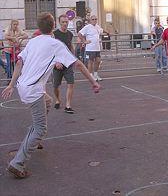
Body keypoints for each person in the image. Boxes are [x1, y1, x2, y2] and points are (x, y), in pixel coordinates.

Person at [2, 12, 100, 179]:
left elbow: (19, 62)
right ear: (53, 25)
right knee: (40, 128)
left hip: (24, 86)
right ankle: (17, 163)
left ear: (39, 27)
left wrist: (11, 84)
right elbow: (78, 64)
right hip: (33, 90)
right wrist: (93, 82)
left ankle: (34, 139)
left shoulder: (33, 42)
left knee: (47, 101)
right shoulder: (55, 44)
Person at [52, 14, 76, 114]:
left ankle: (68, 105)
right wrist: (56, 62)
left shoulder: (70, 34)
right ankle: (57, 100)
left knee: (71, 83)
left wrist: (74, 59)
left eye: (66, 22)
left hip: (68, 64)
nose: (65, 24)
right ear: (59, 23)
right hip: (57, 64)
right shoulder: (54, 34)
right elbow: (51, 49)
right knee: (56, 86)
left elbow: (71, 47)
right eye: (63, 22)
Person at [78, 15, 103, 81]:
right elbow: (79, 34)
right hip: (90, 48)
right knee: (90, 62)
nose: (94, 20)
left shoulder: (97, 26)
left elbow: (102, 31)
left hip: (97, 48)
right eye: (93, 19)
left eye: (95, 19)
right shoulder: (87, 27)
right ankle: (90, 75)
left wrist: (108, 32)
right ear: (90, 20)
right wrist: (84, 41)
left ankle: (95, 74)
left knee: (98, 61)